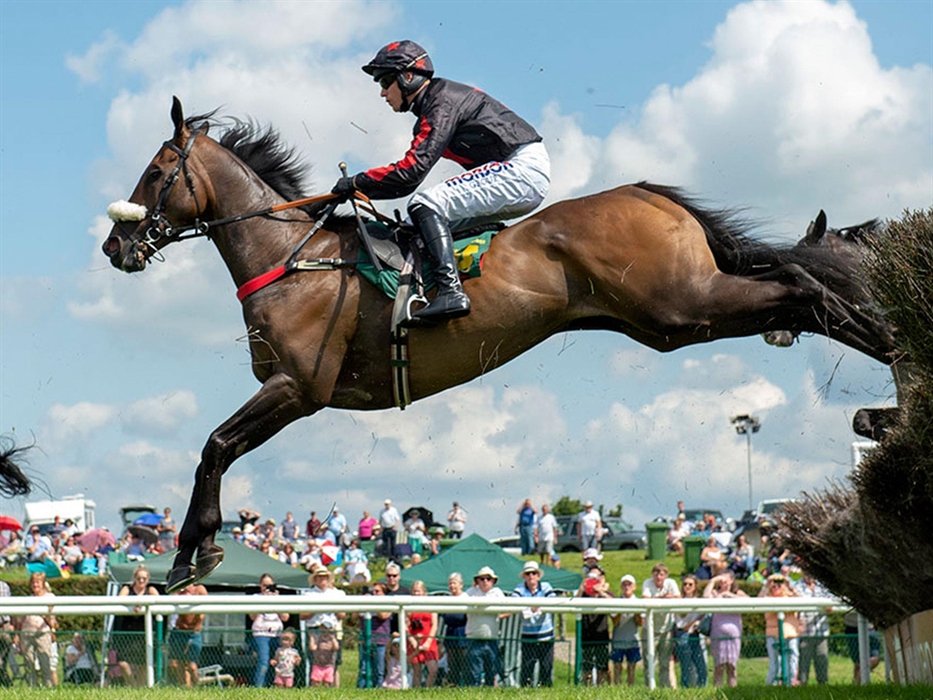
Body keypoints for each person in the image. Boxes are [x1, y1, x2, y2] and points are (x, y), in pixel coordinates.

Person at [333, 40, 550, 325]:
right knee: (416, 227)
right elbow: (406, 181)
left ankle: (450, 292)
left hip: (520, 169)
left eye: (386, 81)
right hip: (517, 172)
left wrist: (357, 182)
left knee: (426, 203)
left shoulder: (441, 101)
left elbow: (411, 171)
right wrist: (359, 189)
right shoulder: (434, 104)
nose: (383, 92)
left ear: (408, 77)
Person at [512, 560, 555, 687]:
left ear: (538, 575)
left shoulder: (546, 586)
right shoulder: (519, 588)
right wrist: (536, 606)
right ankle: (525, 693)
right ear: (524, 576)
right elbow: (514, 601)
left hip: (546, 635)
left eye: (534, 573)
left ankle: (546, 693)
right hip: (528, 635)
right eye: (528, 573)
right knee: (526, 668)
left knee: (546, 668)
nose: (531, 576)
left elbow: (552, 600)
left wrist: (530, 607)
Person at [115, 565, 158, 686]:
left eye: (144, 578)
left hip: (145, 631)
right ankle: (133, 687)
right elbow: (119, 600)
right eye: (139, 578)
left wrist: (142, 606)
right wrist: (133, 604)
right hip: (127, 630)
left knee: (144, 663)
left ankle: (140, 690)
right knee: (123, 663)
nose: (141, 581)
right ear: (134, 578)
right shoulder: (127, 589)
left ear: (148, 579)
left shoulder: (151, 590)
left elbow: (159, 603)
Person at [703, 570, 746, 687]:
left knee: (732, 667)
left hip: (734, 634)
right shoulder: (714, 593)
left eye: (725, 580)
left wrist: (730, 595)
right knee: (719, 666)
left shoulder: (738, 593)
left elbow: (749, 601)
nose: (723, 583)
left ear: (732, 580)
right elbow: (705, 598)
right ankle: (718, 693)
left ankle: (732, 693)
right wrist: (713, 581)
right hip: (718, 633)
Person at [641, 562, 680, 688]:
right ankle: (649, 688)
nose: (658, 577)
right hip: (649, 629)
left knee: (665, 662)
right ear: (652, 575)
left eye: (661, 574)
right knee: (648, 661)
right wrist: (663, 597)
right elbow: (645, 599)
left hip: (666, 629)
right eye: (656, 574)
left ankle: (665, 688)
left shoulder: (671, 583)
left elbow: (679, 599)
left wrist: (668, 597)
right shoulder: (647, 583)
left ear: (666, 576)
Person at [465, 566, 505, 686]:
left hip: (492, 638)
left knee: (491, 672)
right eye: (482, 579)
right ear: (477, 581)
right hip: (474, 639)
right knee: (474, 674)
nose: (485, 581)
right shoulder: (471, 592)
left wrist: (499, 615)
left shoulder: (497, 593)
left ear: (493, 581)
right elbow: (459, 602)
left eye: (488, 578)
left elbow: (510, 607)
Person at [16, 571, 58, 687]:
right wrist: (17, 634)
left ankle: (48, 689)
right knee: (29, 663)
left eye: (38, 582)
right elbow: (21, 618)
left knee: (45, 662)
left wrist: (46, 618)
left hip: (43, 633)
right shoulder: (28, 599)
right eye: (33, 582)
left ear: (43, 583)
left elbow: (53, 618)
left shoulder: (50, 597)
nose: (35, 585)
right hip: (27, 633)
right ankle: (32, 688)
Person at [761, 573, 801, 686]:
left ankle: (789, 685)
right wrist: (767, 584)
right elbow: (757, 600)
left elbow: (802, 599)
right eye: (774, 586)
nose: (776, 587)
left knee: (792, 662)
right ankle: (770, 688)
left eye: (779, 585)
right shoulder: (767, 599)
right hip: (773, 635)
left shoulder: (790, 597)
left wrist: (790, 585)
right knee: (774, 664)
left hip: (791, 634)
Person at [249, 573, 289, 687]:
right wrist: (263, 600)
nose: (267, 588)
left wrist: (276, 601)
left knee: (277, 662)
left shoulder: (278, 598)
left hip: (277, 633)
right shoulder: (256, 597)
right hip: (261, 632)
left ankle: (274, 686)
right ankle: (259, 687)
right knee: (264, 661)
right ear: (260, 585)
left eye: (270, 585)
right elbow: (252, 616)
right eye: (265, 585)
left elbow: (285, 617)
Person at [168, 582, 207, 687]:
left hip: (193, 633)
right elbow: (171, 601)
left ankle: (198, 688)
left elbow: (204, 608)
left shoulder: (199, 589)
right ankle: (185, 689)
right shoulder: (179, 591)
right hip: (179, 631)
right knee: (178, 663)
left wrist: (199, 623)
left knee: (192, 665)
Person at [795, 572, 831, 685]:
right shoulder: (797, 586)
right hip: (805, 633)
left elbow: (831, 601)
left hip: (822, 631)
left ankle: (823, 689)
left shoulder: (822, 586)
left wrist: (830, 605)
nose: (809, 575)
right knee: (803, 665)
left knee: (822, 662)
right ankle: (803, 688)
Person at [674, 575, 708, 687]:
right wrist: (693, 623)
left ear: (695, 586)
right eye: (685, 584)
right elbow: (681, 623)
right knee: (686, 668)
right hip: (682, 636)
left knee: (702, 668)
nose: (687, 586)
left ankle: (702, 691)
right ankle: (685, 692)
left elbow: (703, 615)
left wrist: (698, 622)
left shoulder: (699, 601)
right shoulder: (678, 602)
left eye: (690, 584)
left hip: (695, 635)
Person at [580, 567, 612, 685]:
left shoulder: (605, 594)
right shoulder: (583, 594)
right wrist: (582, 587)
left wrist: (600, 591)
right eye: (591, 576)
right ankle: (587, 690)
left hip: (601, 634)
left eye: (596, 577)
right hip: (586, 635)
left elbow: (613, 603)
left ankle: (600, 690)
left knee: (602, 666)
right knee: (586, 666)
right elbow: (574, 602)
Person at [610, 575, 642, 686]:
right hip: (618, 640)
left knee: (631, 669)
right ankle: (618, 691)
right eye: (624, 584)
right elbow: (615, 622)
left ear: (634, 587)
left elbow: (640, 623)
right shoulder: (616, 602)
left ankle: (631, 691)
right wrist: (621, 609)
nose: (627, 586)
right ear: (621, 586)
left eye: (629, 584)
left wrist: (636, 611)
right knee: (617, 668)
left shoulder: (639, 602)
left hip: (633, 640)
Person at [406, 580, 439, 687]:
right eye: (415, 591)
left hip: (428, 641)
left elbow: (434, 625)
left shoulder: (431, 604)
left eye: (419, 591)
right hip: (414, 640)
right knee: (416, 671)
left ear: (424, 592)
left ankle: (427, 691)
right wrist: (412, 640)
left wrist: (429, 641)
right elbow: (405, 625)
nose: (417, 594)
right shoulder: (408, 607)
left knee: (433, 669)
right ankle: (417, 693)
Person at [442, 573, 469, 686]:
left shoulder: (466, 598)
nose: (452, 586)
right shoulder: (446, 599)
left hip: (463, 633)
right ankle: (454, 686)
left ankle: (466, 687)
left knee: (464, 663)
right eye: (450, 583)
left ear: (461, 585)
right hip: (450, 633)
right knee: (452, 664)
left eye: (454, 583)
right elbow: (445, 617)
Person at [844, 609, 881, 684]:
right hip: (851, 625)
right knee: (858, 663)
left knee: (875, 659)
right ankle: (857, 686)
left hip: (870, 626)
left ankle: (856, 682)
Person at [308, 619, 340, 687]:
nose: (325, 630)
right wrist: (311, 637)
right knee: (315, 682)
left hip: (329, 665)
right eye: (323, 628)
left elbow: (336, 647)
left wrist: (333, 638)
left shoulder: (332, 640)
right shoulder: (318, 638)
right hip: (318, 664)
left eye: (327, 629)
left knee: (327, 683)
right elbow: (313, 648)